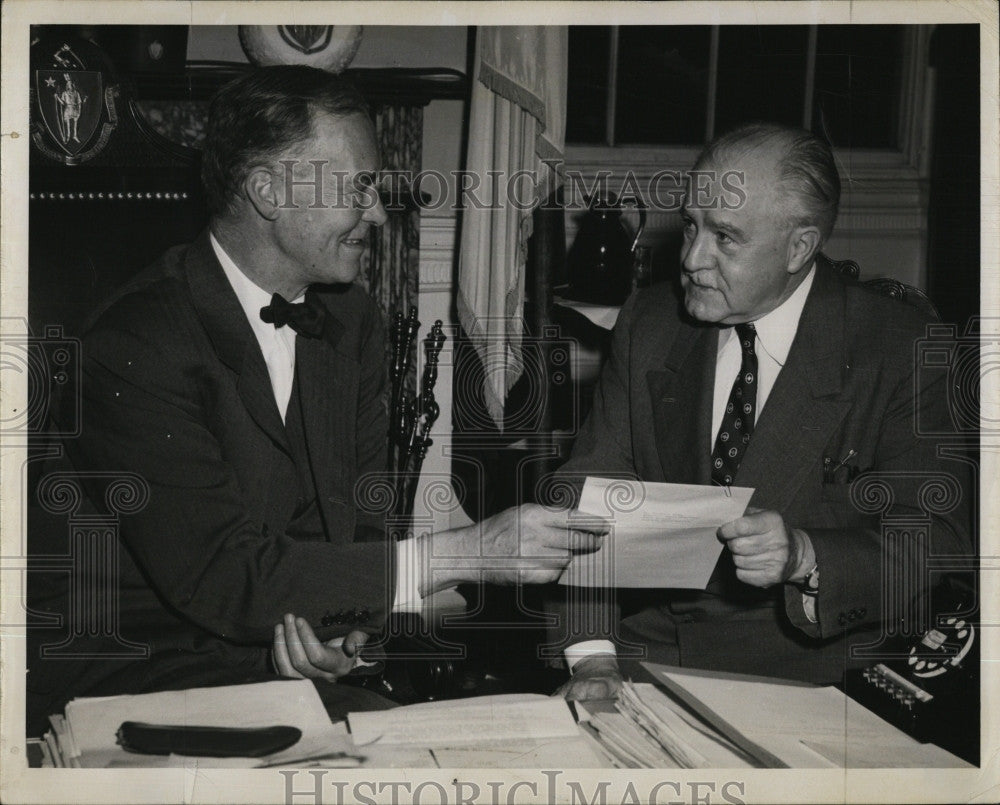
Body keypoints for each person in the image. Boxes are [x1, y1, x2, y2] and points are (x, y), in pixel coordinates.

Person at [26, 66, 606, 733]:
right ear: (268, 191)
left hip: (265, 669)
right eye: (359, 187)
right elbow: (226, 573)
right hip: (128, 676)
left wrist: (345, 634)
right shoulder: (135, 344)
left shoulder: (352, 320)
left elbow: (357, 523)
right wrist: (470, 552)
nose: (379, 213)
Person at [553, 122, 972, 699]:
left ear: (799, 247)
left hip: (818, 680)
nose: (693, 259)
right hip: (647, 663)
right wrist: (593, 658)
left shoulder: (898, 347)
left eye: (725, 237)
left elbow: (936, 545)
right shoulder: (649, 323)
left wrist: (806, 554)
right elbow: (587, 494)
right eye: (692, 226)